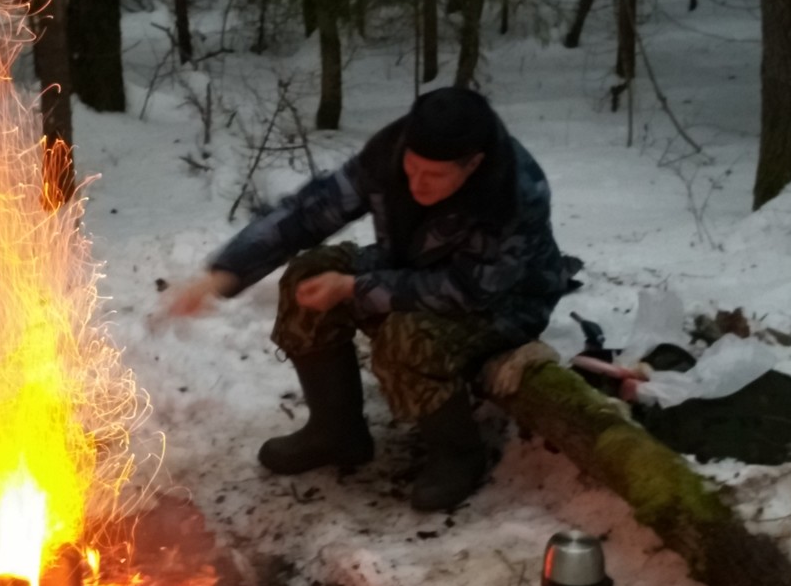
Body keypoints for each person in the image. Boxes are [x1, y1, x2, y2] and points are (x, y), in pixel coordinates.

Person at [166, 86, 581, 512]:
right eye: (412, 167)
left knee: (408, 335)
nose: (415, 183)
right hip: (411, 269)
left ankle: (458, 453)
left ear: (472, 164)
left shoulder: (512, 191)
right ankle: (337, 430)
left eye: (434, 176)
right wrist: (225, 272)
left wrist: (353, 288)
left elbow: (467, 292)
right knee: (308, 275)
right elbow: (313, 209)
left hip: (504, 303)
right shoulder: (391, 152)